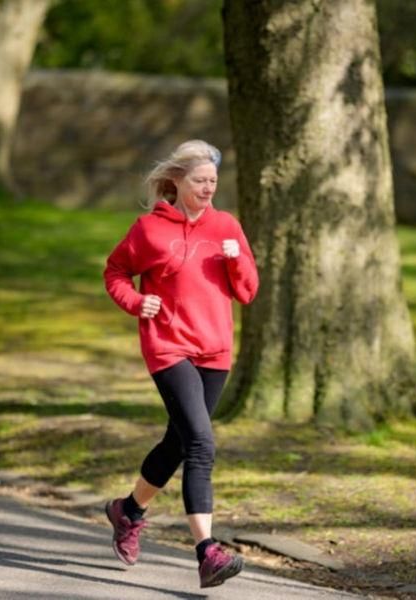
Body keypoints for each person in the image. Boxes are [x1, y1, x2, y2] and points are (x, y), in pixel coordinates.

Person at [102, 139, 259, 588]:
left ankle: (128, 510)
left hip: (215, 349)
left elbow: (247, 291)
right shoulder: (149, 230)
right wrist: (135, 301)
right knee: (201, 444)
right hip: (168, 346)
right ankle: (207, 551)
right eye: (199, 180)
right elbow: (115, 270)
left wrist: (235, 261)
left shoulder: (227, 226)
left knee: (179, 441)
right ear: (176, 180)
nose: (208, 188)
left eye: (213, 180)